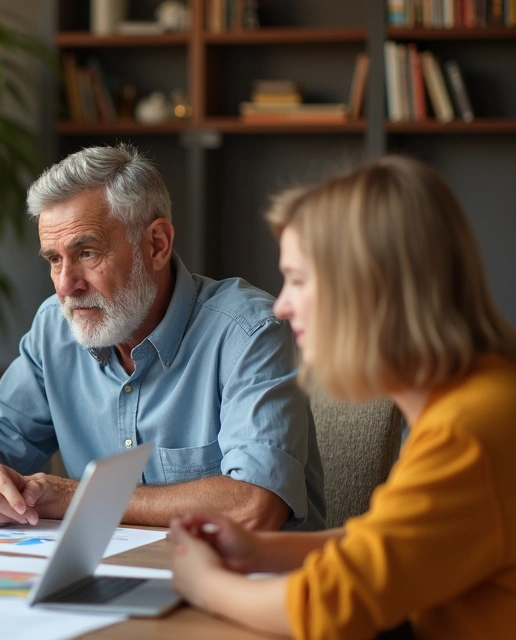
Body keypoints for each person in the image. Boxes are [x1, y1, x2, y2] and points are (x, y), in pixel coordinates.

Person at [168, 156, 516, 639]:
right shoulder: (478, 399)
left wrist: (204, 585)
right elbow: (387, 544)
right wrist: (261, 551)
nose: (283, 304)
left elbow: (328, 610)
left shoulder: (467, 432)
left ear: (371, 288)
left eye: (299, 279)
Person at [0, 143, 325, 531]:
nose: (65, 285)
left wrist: (77, 497)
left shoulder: (249, 332)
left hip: (245, 585)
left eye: (87, 252)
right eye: (54, 260)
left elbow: (254, 505)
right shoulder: (55, 330)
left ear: (157, 245)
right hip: (102, 579)